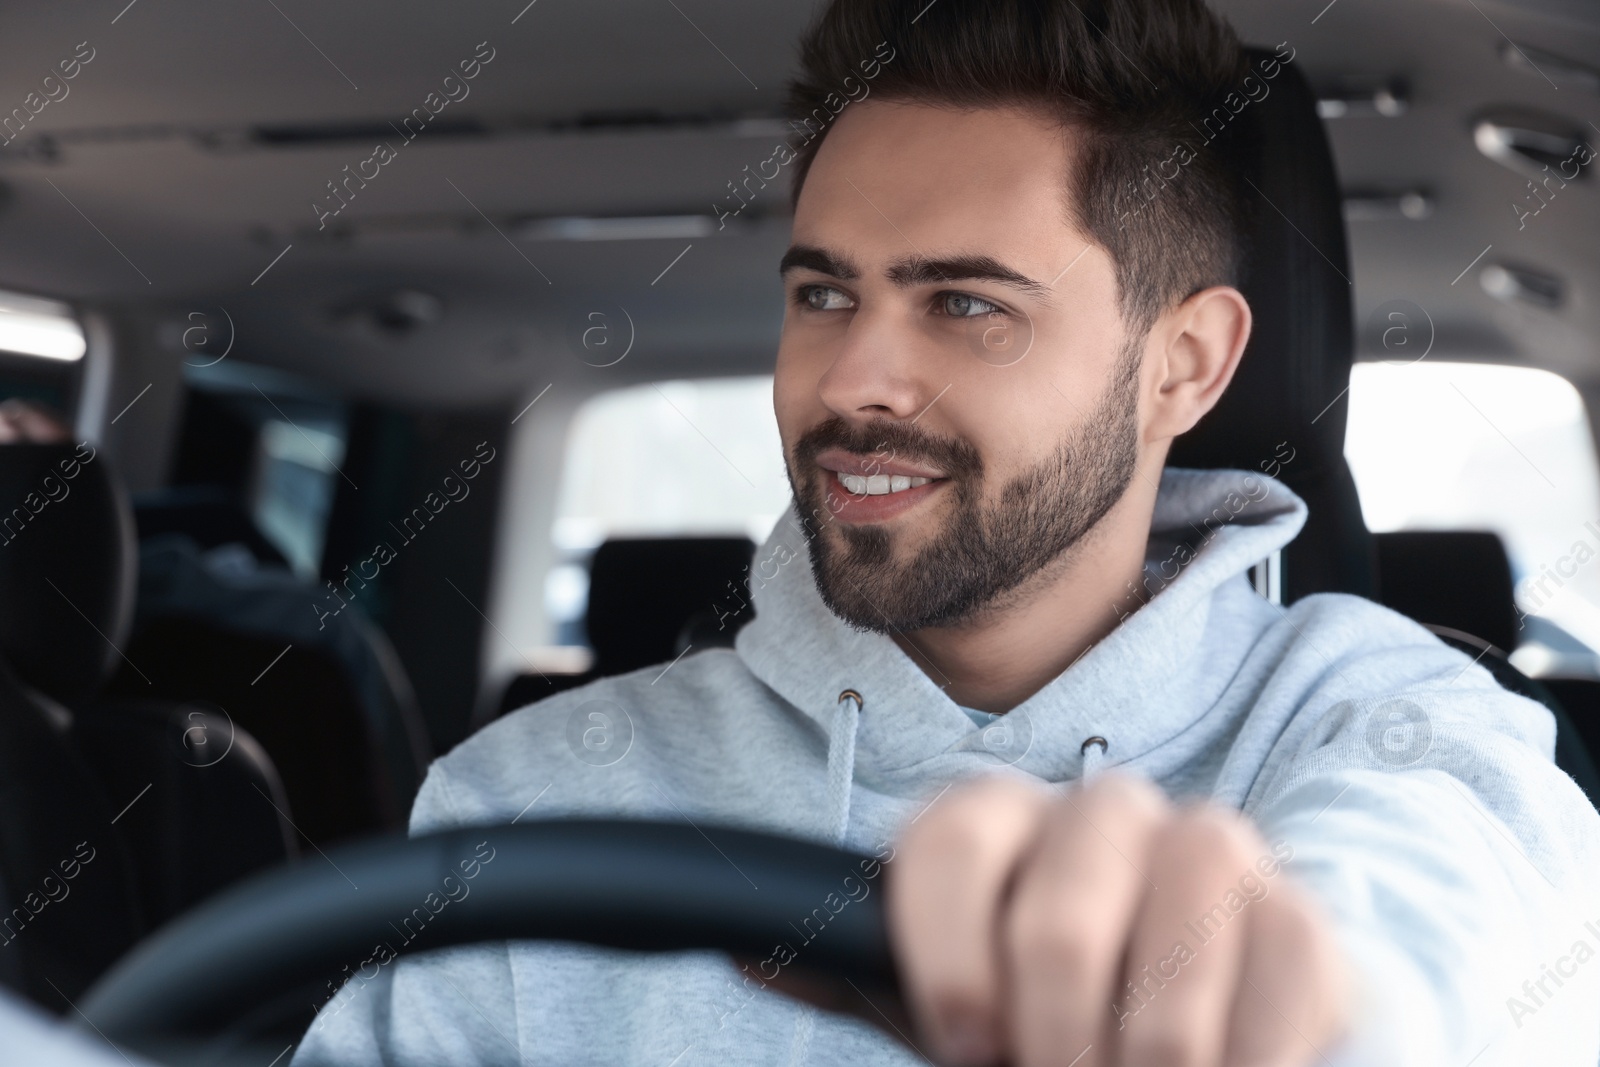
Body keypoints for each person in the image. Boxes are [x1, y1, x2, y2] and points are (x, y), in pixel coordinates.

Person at [292, 0, 1600, 1064]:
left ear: (1184, 366)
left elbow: (1420, 937)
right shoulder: (531, 802)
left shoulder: (1399, 724)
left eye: (966, 305)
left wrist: (1284, 1012)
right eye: (823, 292)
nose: (851, 379)